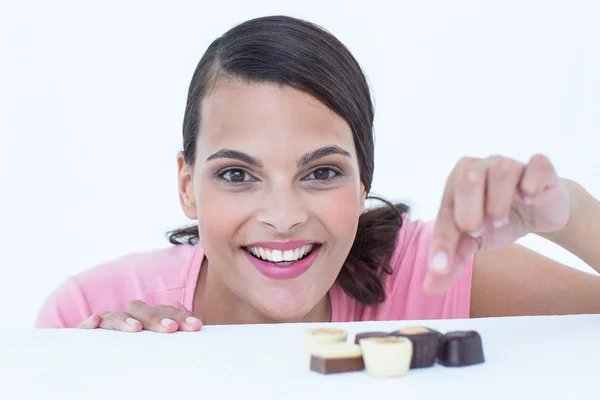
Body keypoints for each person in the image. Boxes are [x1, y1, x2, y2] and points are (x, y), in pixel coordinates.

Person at [35, 15, 600, 333]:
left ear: (362, 185)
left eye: (321, 172)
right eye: (236, 175)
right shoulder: (88, 311)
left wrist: (569, 214)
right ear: (186, 186)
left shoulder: (423, 274)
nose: (282, 218)